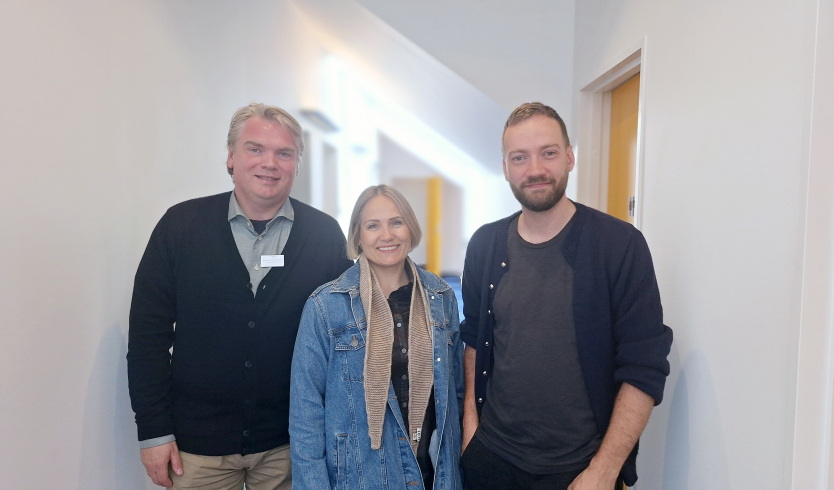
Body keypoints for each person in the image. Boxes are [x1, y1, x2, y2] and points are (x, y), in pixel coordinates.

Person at [127, 103, 352, 490]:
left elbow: (345, 340)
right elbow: (148, 337)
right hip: (196, 450)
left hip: (292, 448)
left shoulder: (325, 235)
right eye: (255, 149)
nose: (270, 163)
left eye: (284, 153)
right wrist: (154, 432)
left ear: (297, 165)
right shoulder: (180, 227)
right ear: (231, 156)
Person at [460, 102, 673, 490]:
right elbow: (474, 339)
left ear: (570, 158)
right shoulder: (485, 245)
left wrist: (604, 471)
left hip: (581, 470)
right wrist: (470, 430)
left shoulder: (619, 245)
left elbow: (645, 366)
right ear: (505, 167)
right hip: (492, 460)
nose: (535, 169)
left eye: (549, 153)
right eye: (519, 157)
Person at [290, 185, 464, 490]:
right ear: (358, 236)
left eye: (396, 222)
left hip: (434, 476)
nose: (387, 235)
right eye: (373, 226)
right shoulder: (325, 306)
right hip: (360, 478)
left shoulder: (442, 297)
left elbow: (455, 395)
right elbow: (306, 416)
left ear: (411, 228)